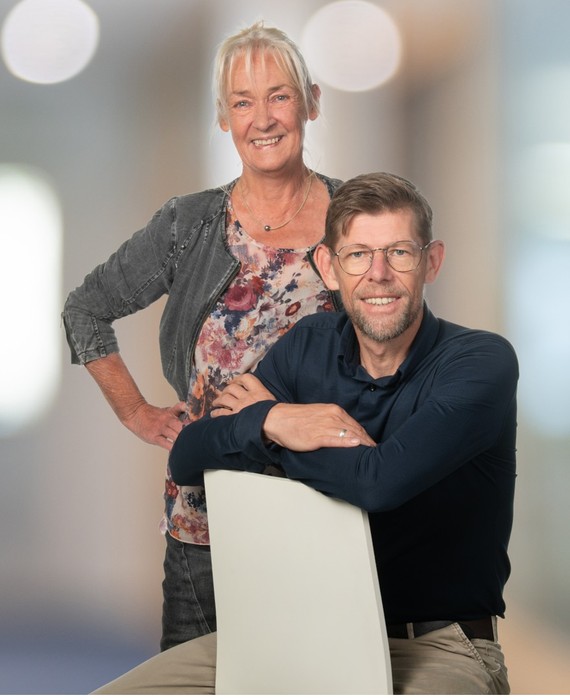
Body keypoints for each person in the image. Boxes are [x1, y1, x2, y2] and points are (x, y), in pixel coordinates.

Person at [91, 171, 518, 695]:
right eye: (358, 255)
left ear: (431, 262)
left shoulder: (480, 361)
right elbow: (189, 458)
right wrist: (276, 421)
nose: (379, 274)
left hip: (436, 645)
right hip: (290, 633)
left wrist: (267, 439)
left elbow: (377, 485)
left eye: (399, 253)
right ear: (329, 268)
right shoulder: (309, 344)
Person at [62, 20, 342, 651]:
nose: (262, 119)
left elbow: (395, 341)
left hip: (329, 511)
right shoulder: (187, 224)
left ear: (311, 102)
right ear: (222, 117)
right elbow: (85, 310)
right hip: (206, 522)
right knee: (195, 684)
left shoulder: (357, 217)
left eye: (279, 96)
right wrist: (135, 411)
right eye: (242, 102)